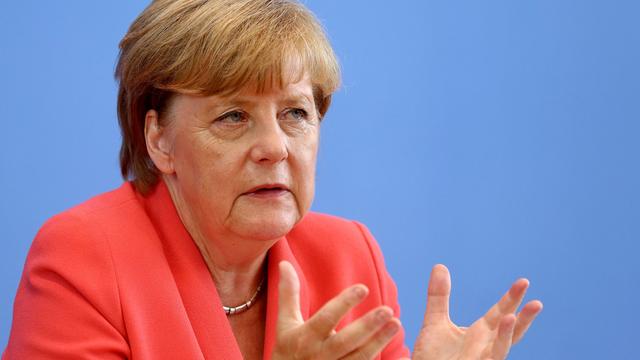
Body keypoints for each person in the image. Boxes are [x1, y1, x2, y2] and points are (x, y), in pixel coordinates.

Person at [3, 0, 542, 359]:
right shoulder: (83, 259)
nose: (275, 148)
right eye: (233, 116)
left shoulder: (347, 257)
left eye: (296, 114)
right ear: (159, 140)